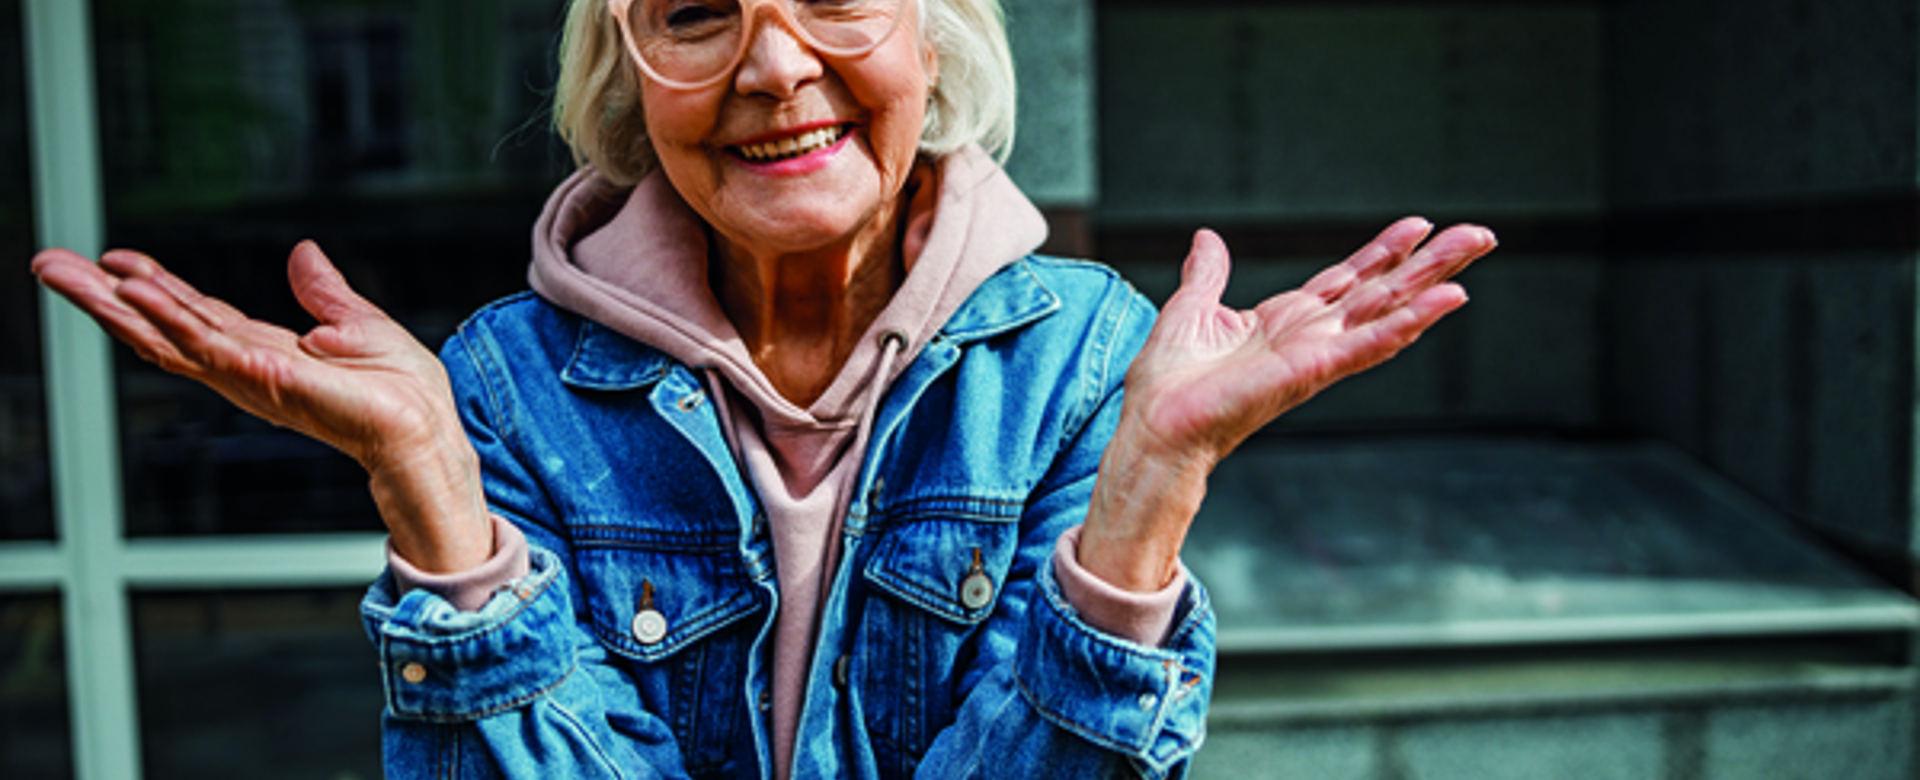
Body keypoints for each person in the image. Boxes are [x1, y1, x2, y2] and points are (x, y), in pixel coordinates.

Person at [32, 0, 1495, 777]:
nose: (774, 63)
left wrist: (1153, 484)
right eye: (694, 12)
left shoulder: (1090, 359)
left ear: (935, 34)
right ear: (626, 70)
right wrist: (434, 493)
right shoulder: (501, 386)